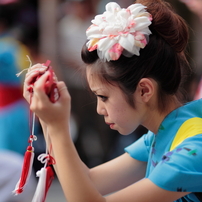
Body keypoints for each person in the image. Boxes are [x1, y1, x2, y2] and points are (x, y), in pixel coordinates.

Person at [23, 0, 202, 201]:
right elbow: (87, 180)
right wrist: (48, 118)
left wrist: (57, 126)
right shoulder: (162, 135)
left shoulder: (194, 147)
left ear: (144, 90)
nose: (100, 109)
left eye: (103, 97)